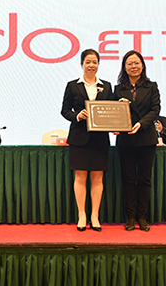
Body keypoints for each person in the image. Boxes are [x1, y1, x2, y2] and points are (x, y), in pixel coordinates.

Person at [61, 49, 113, 232]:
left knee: (97, 178)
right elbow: (64, 110)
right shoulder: (72, 85)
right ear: (81, 64)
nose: (91, 65)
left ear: (99, 64)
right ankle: (82, 214)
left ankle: (95, 215)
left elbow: (111, 110)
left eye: (95, 62)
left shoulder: (107, 86)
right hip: (79, 138)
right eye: (88, 62)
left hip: (100, 139)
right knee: (80, 177)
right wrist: (77, 116)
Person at [114, 50, 160, 231]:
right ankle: (130, 217)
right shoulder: (118, 89)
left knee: (144, 179)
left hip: (146, 137)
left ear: (142, 65)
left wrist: (141, 123)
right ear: (124, 67)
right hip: (125, 139)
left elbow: (155, 109)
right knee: (128, 179)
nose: (133, 66)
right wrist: (116, 122)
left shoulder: (151, 86)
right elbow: (112, 113)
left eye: (136, 63)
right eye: (130, 63)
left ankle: (142, 216)